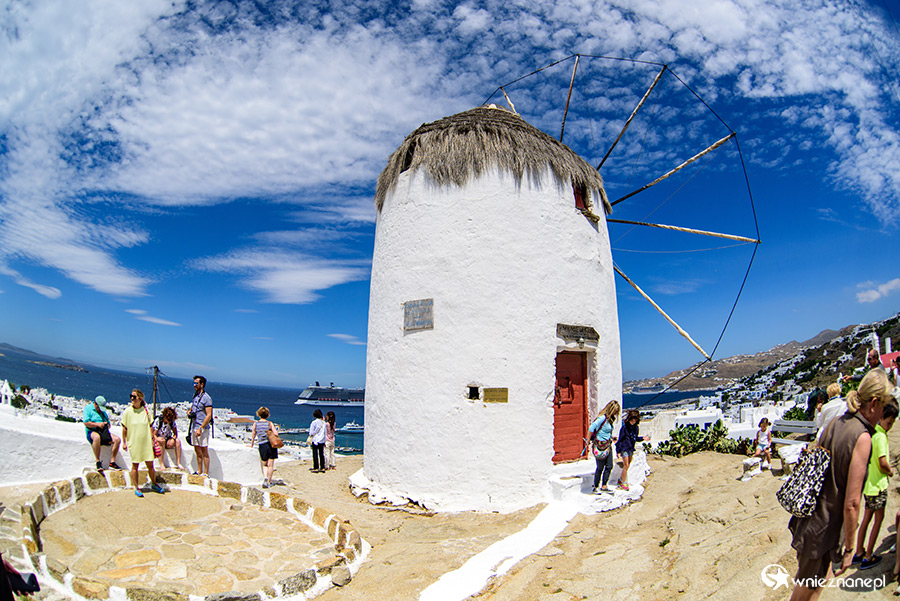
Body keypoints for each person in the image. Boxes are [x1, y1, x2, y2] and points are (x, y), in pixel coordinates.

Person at [788, 369, 893, 601]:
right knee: (803, 594)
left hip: (811, 521)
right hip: (824, 529)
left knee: (814, 590)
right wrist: (850, 550)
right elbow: (852, 503)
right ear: (874, 403)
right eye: (884, 406)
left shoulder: (836, 422)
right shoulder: (862, 437)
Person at [852, 401, 898, 569]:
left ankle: (859, 551)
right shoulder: (881, 437)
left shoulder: (871, 433)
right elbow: (883, 462)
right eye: (889, 422)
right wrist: (890, 471)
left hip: (868, 485)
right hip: (878, 485)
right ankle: (869, 555)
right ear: (881, 418)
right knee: (878, 520)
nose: (890, 426)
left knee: (866, 519)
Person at [121, 389, 164, 497]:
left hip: (146, 443)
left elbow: (150, 426)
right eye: (131, 396)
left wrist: (152, 439)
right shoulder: (127, 412)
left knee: (150, 465)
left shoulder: (145, 411)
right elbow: (124, 428)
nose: (132, 398)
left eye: (134, 397)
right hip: (134, 442)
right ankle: (136, 487)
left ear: (140, 399)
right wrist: (124, 442)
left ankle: (154, 484)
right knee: (135, 465)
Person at [82, 395, 122, 471]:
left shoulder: (103, 413)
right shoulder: (88, 409)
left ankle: (112, 461)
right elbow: (86, 422)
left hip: (103, 432)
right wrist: (97, 424)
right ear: (96, 404)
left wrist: (106, 424)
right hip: (92, 431)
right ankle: (98, 461)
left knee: (117, 439)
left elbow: (109, 423)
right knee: (96, 437)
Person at [588, 401, 620, 493]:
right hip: (600, 446)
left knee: (609, 465)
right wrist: (588, 440)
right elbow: (591, 428)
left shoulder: (610, 419)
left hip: (608, 445)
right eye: (615, 411)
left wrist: (611, 437)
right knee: (600, 467)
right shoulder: (602, 418)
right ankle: (596, 486)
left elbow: (605, 431)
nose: (615, 413)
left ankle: (604, 485)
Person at [615, 409, 649, 490]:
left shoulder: (636, 428)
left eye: (634, 421)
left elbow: (635, 438)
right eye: (632, 420)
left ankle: (621, 479)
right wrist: (618, 451)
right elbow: (620, 440)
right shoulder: (624, 428)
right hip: (624, 448)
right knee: (626, 465)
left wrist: (643, 438)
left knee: (628, 464)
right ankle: (623, 483)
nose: (633, 422)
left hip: (631, 448)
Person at [188, 375, 213, 476]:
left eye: (196, 383)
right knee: (197, 450)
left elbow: (209, 415)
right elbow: (194, 407)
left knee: (204, 450)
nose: (194, 385)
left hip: (202, 428)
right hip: (194, 426)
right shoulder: (195, 396)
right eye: (194, 383)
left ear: (202, 384)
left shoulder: (206, 398)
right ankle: (199, 471)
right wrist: (189, 411)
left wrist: (201, 428)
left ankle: (206, 473)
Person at [248, 407, 278, 488]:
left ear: (258, 414)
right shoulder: (269, 423)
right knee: (270, 465)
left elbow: (253, 435)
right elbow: (276, 433)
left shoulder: (256, 424)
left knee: (264, 464)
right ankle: (269, 482)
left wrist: (251, 445)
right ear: (267, 415)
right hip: (271, 445)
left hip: (262, 445)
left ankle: (265, 478)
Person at [152, 407, 186, 471]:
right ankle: (161, 463)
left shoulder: (172, 422)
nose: (169, 421)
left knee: (177, 441)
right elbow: (154, 435)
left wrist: (173, 439)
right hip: (159, 440)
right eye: (168, 420)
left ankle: (178, 463)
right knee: (162, 440)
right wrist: (158, 439)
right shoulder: (158, 421)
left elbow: (175, 434)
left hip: (167, 439)